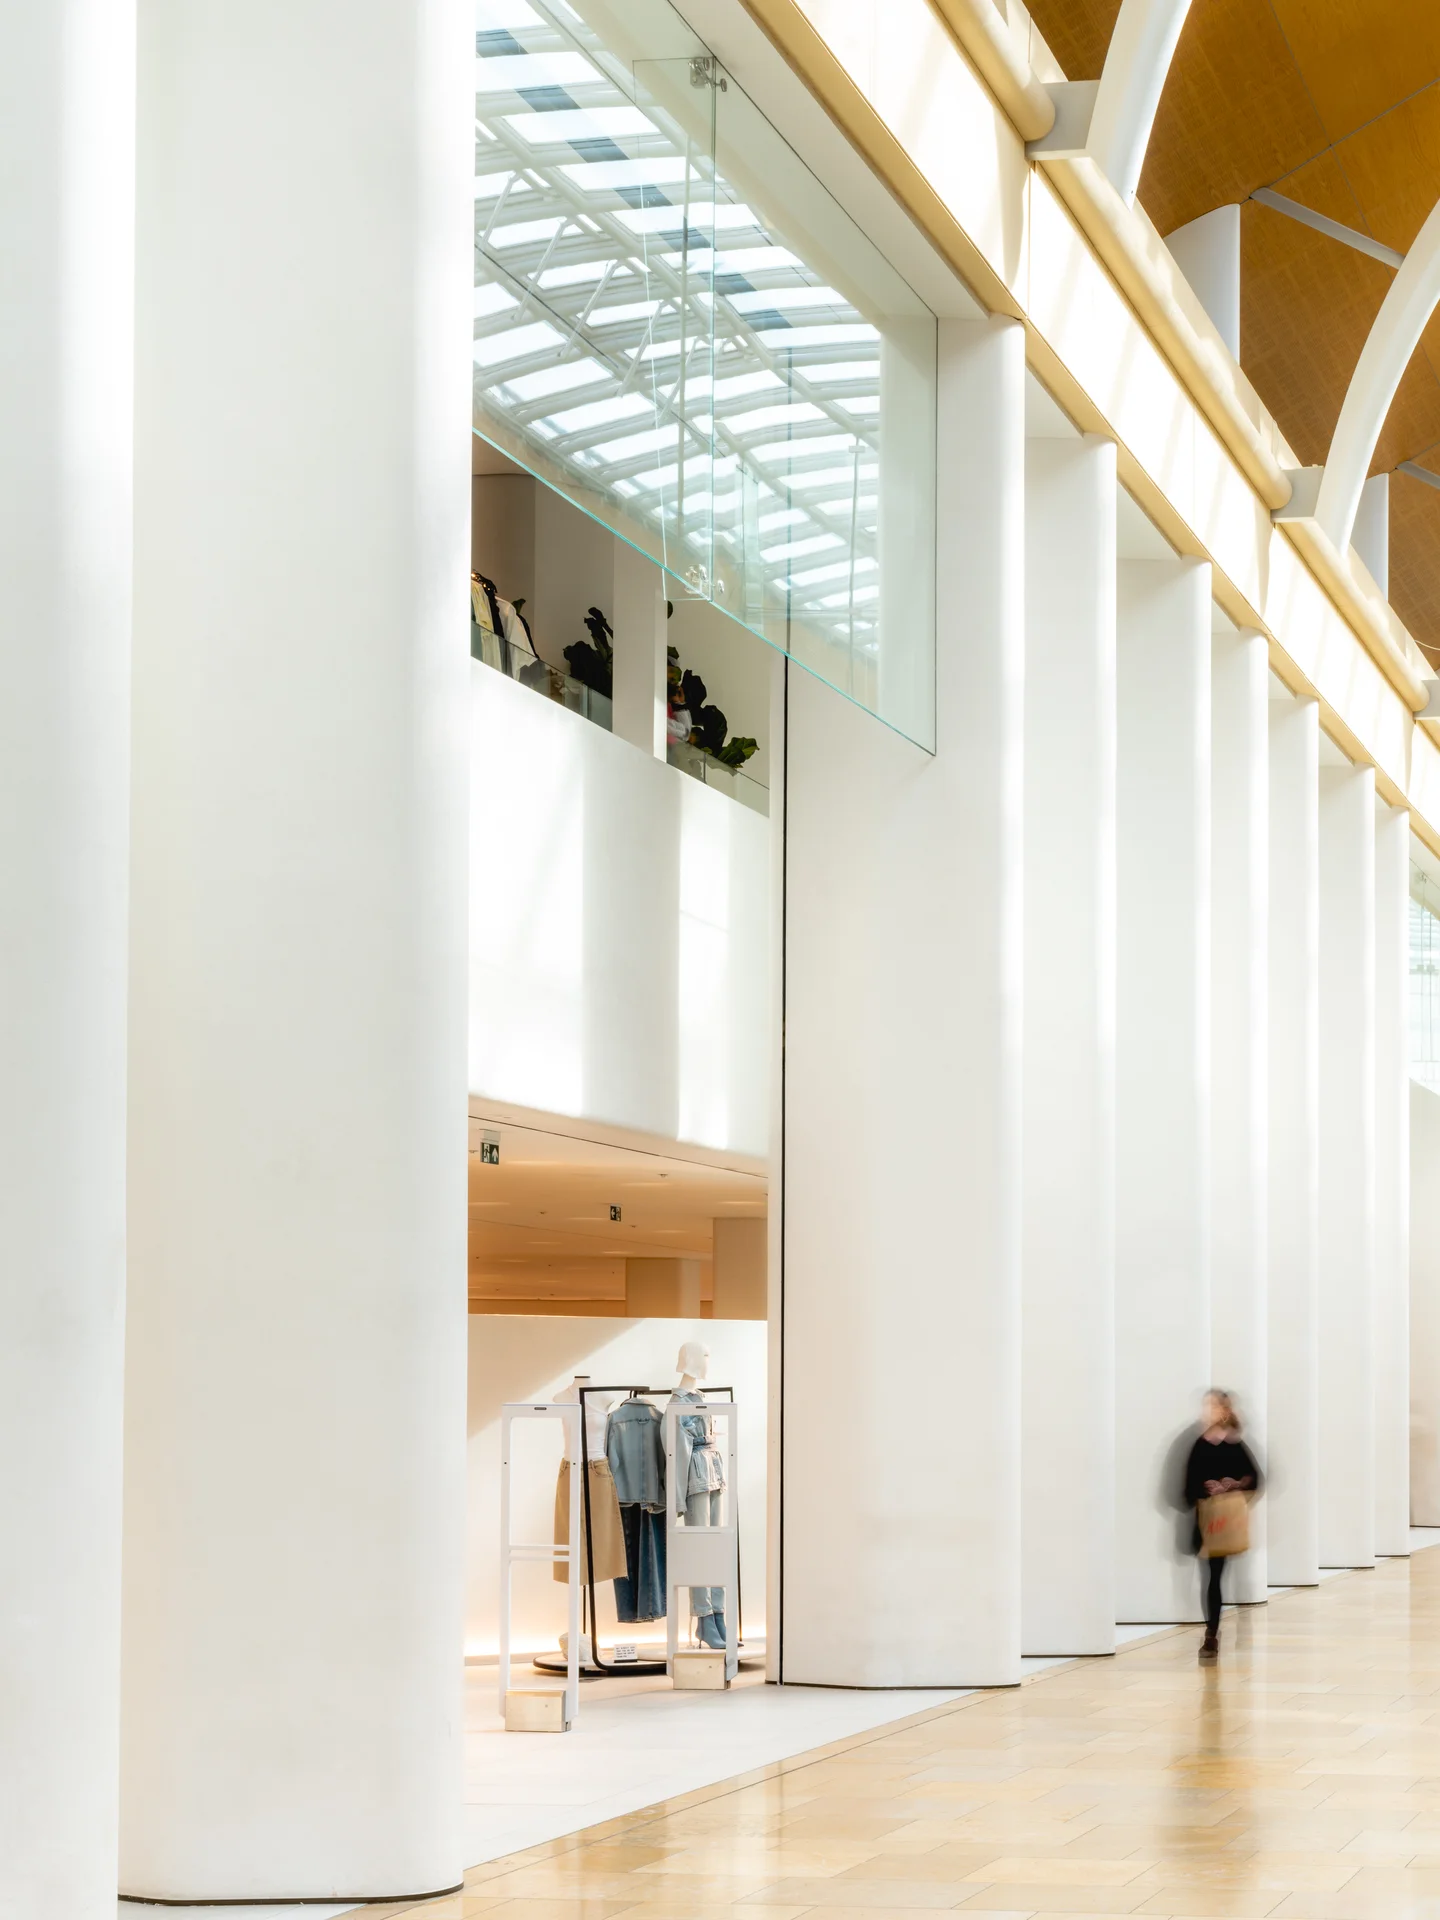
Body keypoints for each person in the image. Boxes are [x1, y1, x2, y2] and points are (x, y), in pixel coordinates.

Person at [1182, 1390, 1260, 1663]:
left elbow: (1255, 1478)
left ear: (1224, 1411)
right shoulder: (1199, 1445)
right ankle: (1212, 1631)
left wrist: (1233, 1484)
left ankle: (1214, 1632)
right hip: (1206, 1523)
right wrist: (1206, 1489)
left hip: (1226, 1521)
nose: (1208, 1411)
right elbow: (1186, 1488)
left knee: (1216, 1576)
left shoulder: (1234, 1444)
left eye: (1213, 1407)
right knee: (1212, 1578)